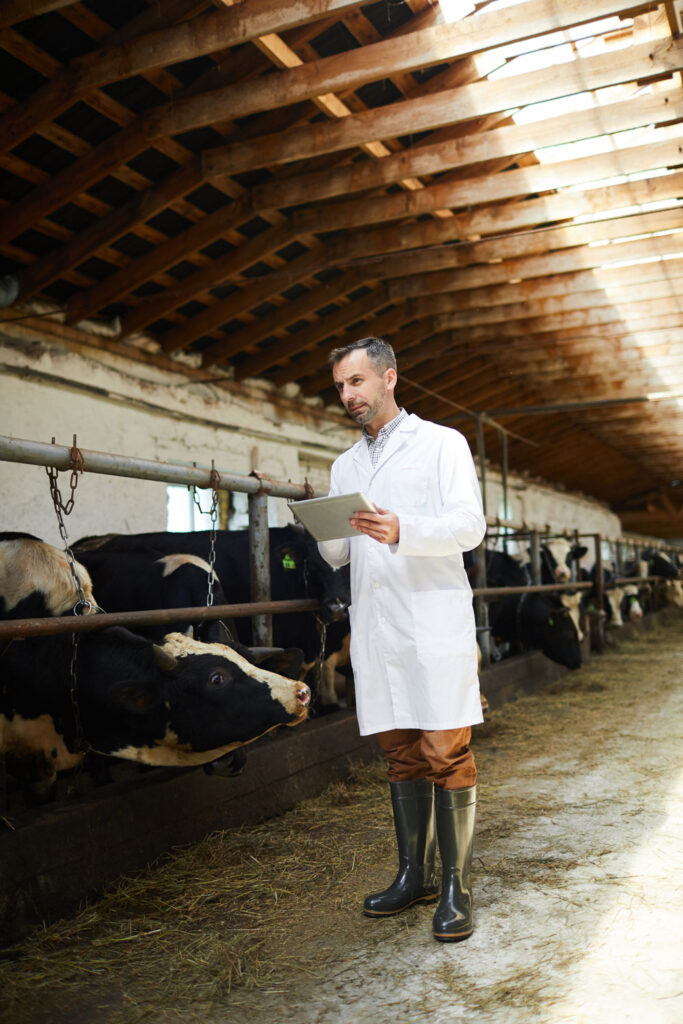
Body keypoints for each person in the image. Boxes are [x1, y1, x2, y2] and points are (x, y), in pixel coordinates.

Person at [317, 337, 486, 943]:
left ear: (389, 378)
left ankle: (455, 889)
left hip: (433, 624)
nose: (348, 396)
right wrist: (320, 522)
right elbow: (336, 553)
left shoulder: (443, 443)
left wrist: (402, 528)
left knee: (446, 754)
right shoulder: (344, 465)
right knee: (401, 755)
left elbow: (470, 526)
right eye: (340, 386)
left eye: (357, 382)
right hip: (379, 630)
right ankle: (413, 874)